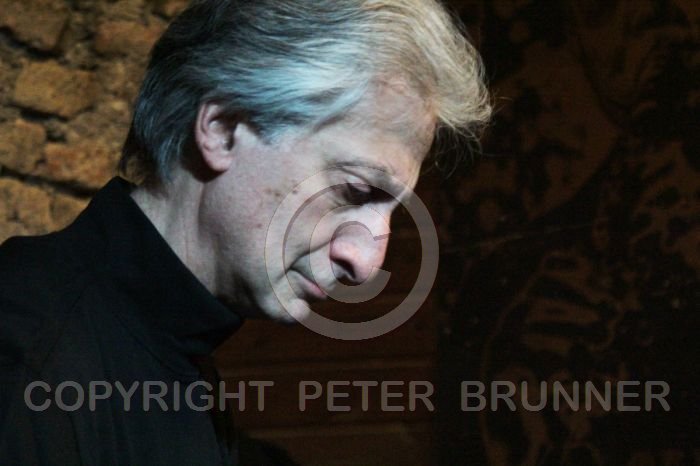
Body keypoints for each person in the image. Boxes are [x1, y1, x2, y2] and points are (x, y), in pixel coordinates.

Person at [0, 0, 490, 464]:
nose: (366, 263)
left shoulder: (169, 358)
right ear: (222, 129)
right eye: (354, 190)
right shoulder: (30, 360)